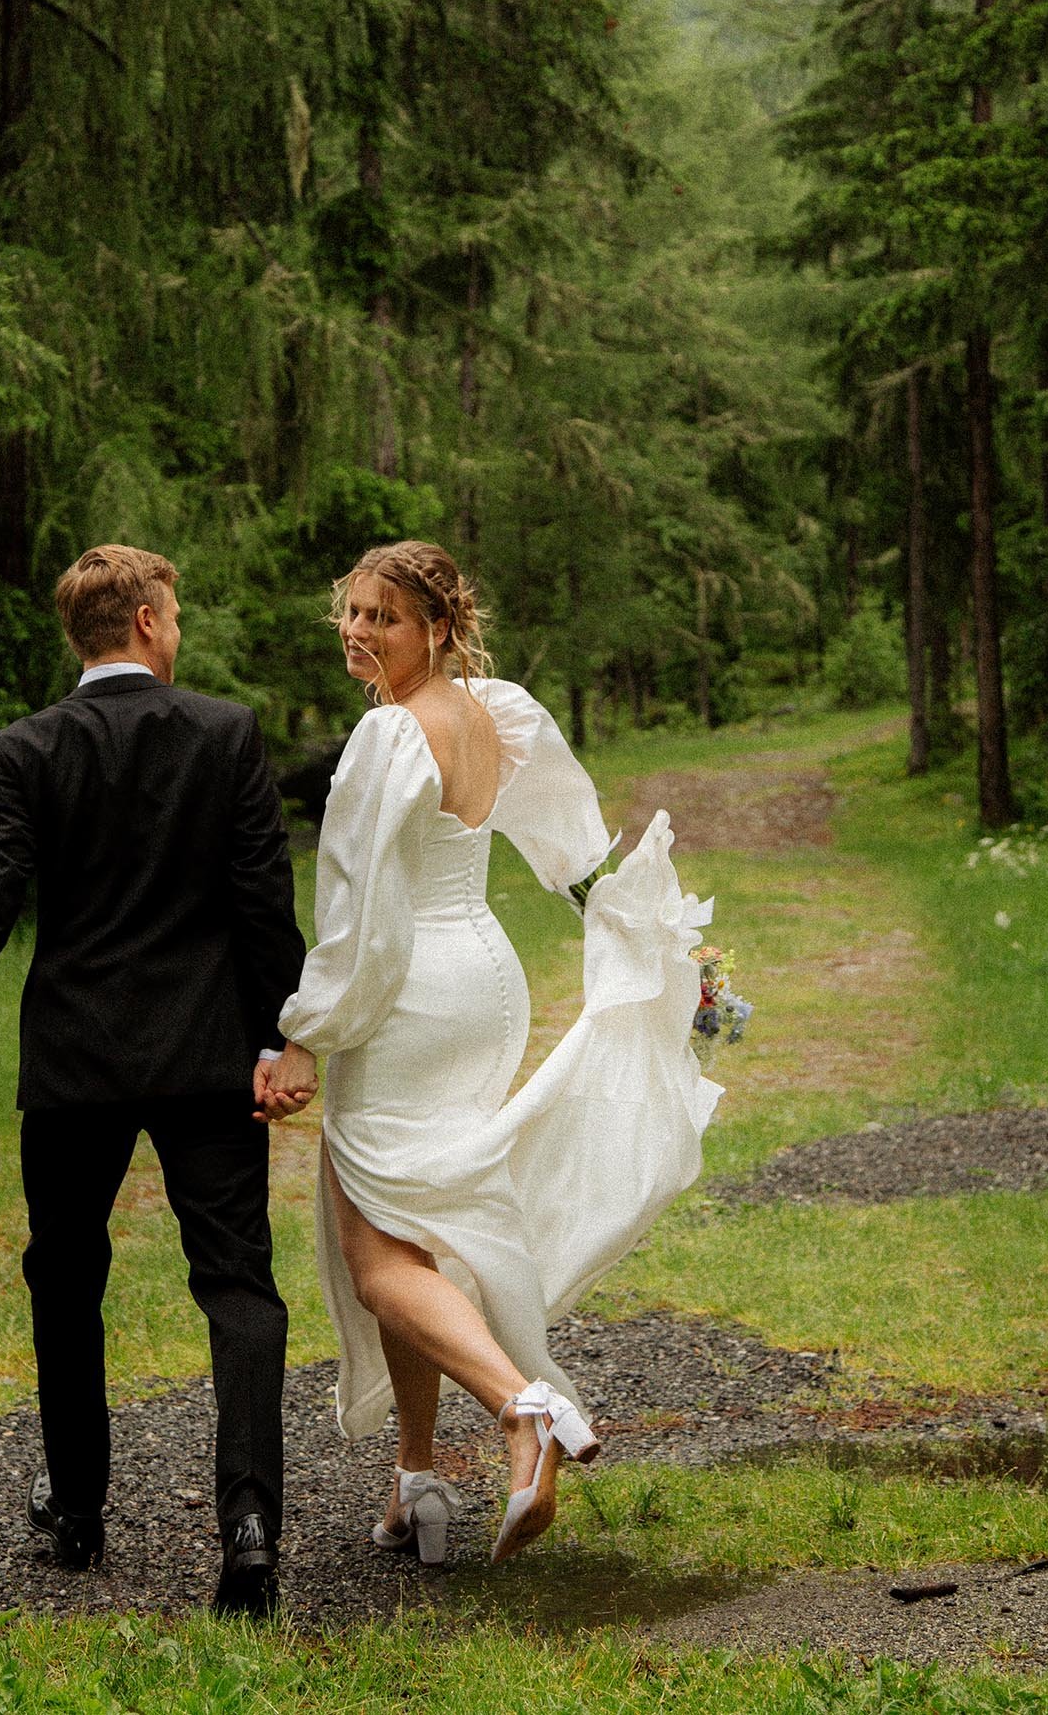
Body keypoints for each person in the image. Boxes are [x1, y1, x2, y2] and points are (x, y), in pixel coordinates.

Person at [0, 545, 311, 1618]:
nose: (180, 628)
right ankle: (248, 1525)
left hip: (74, 1063)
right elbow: (261, 902)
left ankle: (75, 1511)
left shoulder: (26, 749)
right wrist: (272, 1040)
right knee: (237, 1285)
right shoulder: (225, 733)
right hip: (206, 1058)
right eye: (179, 612)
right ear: (149, 622)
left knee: (66, 1280)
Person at [259, 541, 720, 1566]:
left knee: (377, 1258)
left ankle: (523, 1408)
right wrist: (637, 927)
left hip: (409, 991)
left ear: (434, 627)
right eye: (350, 613)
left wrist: (302, 1037)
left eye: (381, 617)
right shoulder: (493, 711)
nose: (356, 632)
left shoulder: (388, 736)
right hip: (483, 980)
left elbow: (358, 916)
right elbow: (568, 846)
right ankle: (415, 1482)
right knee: (416, 1226)